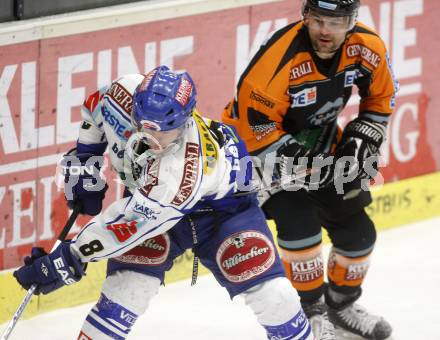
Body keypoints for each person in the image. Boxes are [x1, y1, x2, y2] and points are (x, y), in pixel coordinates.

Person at [13, 66, 315, 340]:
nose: (149, 137)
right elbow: (96, 108)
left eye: (163, 130)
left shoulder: (182, 170)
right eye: (143, 125)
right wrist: (85, 156)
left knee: (276, 299)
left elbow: (128, 225)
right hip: (150, 202)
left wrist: (70, 257)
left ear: (185, 122)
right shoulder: (123, 92)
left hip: (223, 213)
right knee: (126, 290)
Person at [221, 1, 398, 339]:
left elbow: (380, 100)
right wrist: (311, 166)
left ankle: (340, 307)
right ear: (305, 16)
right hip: (259, 158)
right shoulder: (279, 57)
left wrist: (366, 134)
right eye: (318, 20)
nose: (325, 31)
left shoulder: (367, 47)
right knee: (300, 226)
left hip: (324, 147)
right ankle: (309, 314)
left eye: (336, 22)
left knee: (359, 234)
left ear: (351, 21)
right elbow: (253, 130)